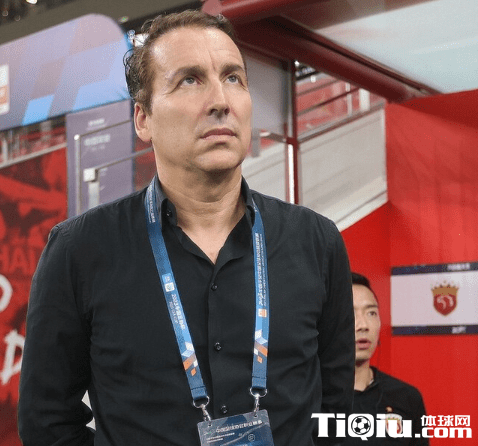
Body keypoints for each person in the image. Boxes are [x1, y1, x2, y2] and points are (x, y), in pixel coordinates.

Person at [18, 10, 354, 446]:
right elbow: (47, 422)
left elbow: (337, 413)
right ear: (143, 119)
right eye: (190, 80)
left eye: (233, 78)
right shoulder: (79, 251)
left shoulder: (316, 242)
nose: (221, 101)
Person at [346, 272, 428, 445]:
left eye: (371, 313)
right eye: (350, 314)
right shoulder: (308, 397)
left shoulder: (406, 397)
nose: (363, 325)